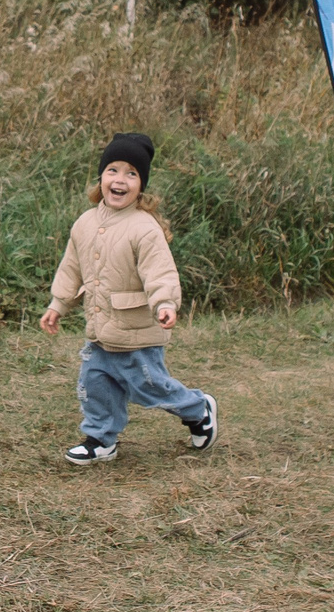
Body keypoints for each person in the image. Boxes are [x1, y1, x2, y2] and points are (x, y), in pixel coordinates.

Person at [39, 133, 218, 463]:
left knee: (149, 387)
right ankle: (101, 439)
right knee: (95, 383)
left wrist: (165, 303)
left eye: (131, 174)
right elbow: (71, 268)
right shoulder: (85, 223)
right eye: (113, 170)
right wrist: (58, 305)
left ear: (141, 186)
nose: (120, 180)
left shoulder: (143, 228)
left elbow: (159, 272)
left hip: (137, 333)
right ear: (101, 178)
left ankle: (198, 409)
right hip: (100, 331)